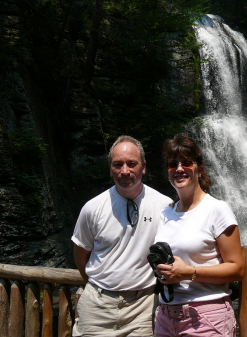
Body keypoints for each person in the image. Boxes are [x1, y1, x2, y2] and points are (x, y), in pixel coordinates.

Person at [71, 135, 172, 337]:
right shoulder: (93, 208)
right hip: (97, 307)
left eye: (131, 164)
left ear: (143, 166)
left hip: (142, 307)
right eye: (118, 164)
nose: (124, 171)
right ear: (111, 168)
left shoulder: (165, 206)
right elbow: (81, 253)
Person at [153, 133, 244, 337]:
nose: (178, 169)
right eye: (172, 164)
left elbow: (237, 269)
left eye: (186, 163)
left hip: (205, 317)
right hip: (165, 317)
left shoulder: (217, 209)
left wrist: (188, 272)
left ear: (199, 169)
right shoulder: (166, 213)